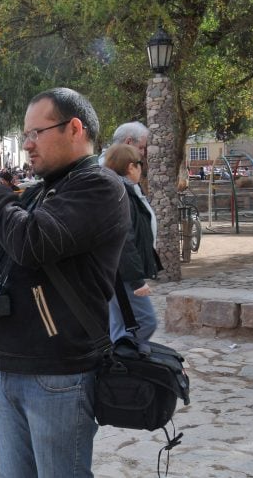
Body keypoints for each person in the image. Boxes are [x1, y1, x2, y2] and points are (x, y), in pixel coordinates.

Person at [0, 87, 130, 477]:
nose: (28, 146)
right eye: (25, 136)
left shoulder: (99, 187)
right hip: (9, 368)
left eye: (36, 133)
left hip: (57, 372)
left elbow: (31, 243)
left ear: (74, 128)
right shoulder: (42, 192)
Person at [104, 144, 161, 353]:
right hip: (123, 275)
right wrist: (137, 280)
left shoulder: (127, 189)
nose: (141, 169)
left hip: (118, 273)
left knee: (119, 324)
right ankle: (122, 361)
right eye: (140, 164)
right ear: (130, 167)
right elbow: (124, 239)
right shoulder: (122, 193)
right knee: (146, 321)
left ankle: (116, 368)